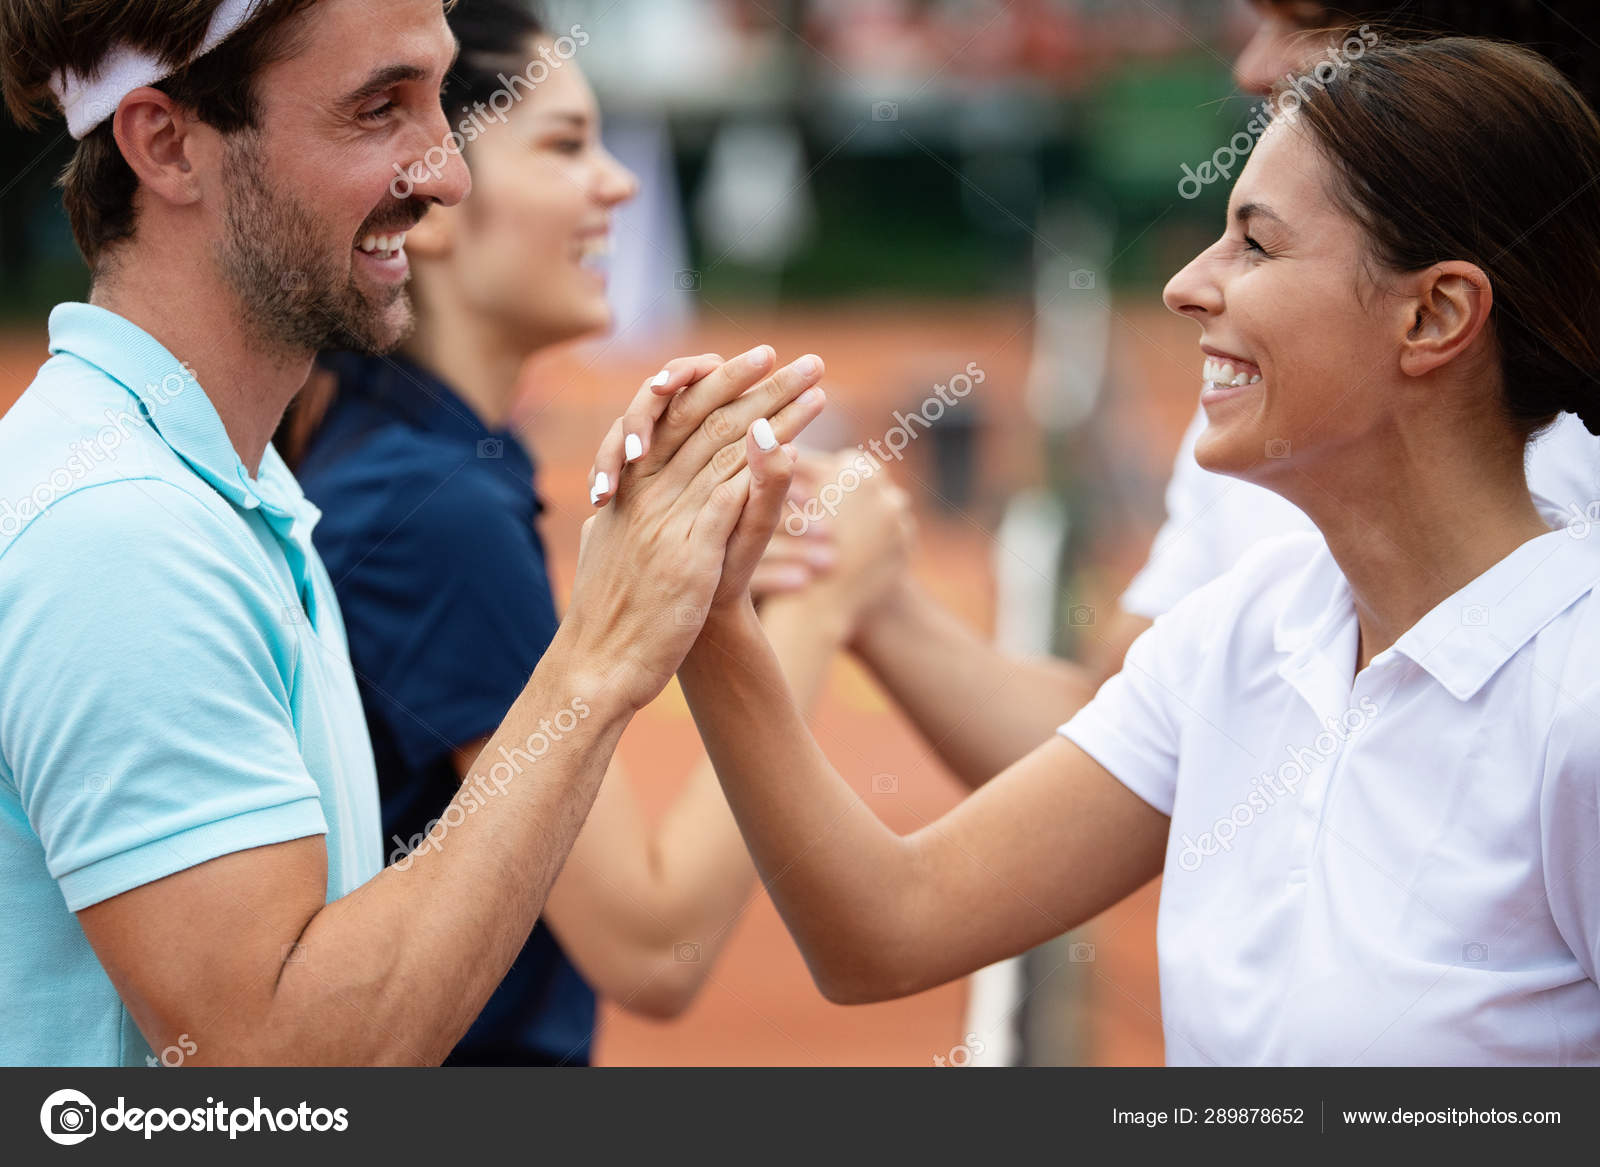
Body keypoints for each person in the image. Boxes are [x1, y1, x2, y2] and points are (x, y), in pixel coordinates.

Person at [619, 37, 1600, 1064]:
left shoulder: (1572, 698)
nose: (1183, 285)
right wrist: (712, 615)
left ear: (1435, 313)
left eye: (1256, 246)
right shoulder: (1242, 630)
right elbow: (887, 927)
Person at [0, 0, 822, 1066]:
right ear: (165, 143)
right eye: (378, 109)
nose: (447, 176)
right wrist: (603, 653)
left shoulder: (230, 490)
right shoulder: (119, 533)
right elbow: (276, 1068)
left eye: (438, 102)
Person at [281, 0, 908, 1065]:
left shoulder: (413, 460)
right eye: (568, 146)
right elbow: (654, 943)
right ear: (429, 199)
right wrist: (819, 606)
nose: (617, 185)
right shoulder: (431, 512)